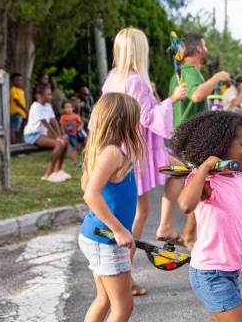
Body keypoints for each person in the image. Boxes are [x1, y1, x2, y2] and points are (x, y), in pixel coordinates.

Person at [101, 27, 187, 296]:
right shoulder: (135, 80)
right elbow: (147, 117)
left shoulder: (113, 77)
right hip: (137, 151)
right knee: (137, 214)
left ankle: (165, 226)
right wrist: (173, 99)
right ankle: (125, 275)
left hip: (124, 148)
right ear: (140, 50)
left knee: (180, 171)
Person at [170, 111, 242, 322]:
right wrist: (203, 167)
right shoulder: (205, 180)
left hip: (230, 272)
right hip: (210, 273)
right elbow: (186, 205)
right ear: (221, 145)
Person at [160, 33, 229, 255]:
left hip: (184, 137)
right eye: (205, 45)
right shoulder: (190, 72)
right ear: (198, 49)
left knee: (202, 184)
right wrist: (217, 77)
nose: (206, 49)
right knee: (203, 186)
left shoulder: (180, 72)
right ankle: (190, 236)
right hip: (192, 139)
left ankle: (189, 233)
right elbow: (198, 95)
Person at [79, 92, 146, 322]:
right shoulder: (112, 153)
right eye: (134, 119)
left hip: (97, 235)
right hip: (106, 238)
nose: (137, 125)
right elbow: (90, 194)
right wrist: (118, 229)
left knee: (104, 300)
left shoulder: (103, 149)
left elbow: (85, 184)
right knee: (123, 307)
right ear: (121, 122)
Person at [23, 85, 70, 182]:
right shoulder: (36, 106)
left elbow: (54, 121)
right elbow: (45, 124)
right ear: (39, 96)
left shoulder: (48, 106)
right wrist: (57, 137)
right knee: (58, 144)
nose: (50, 96)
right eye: (48, 94)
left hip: (42, 134)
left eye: (50, 94)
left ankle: (58, 170)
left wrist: (60, 136)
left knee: (65, 142)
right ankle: (48, 174)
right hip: (32, 135)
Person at [60, 101, 84, 167]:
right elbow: (62, 126)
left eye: (69, 107)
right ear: (64, 109)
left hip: (74, 134)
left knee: (75, 147)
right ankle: (70, 162)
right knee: (68, 148)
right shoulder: (63, 117)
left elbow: (81, 123)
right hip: (67, 135)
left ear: (72, 108)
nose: (68, 109)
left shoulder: (75, 116)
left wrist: (80, 128)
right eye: (66, 107)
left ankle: (79, 161)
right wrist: (64, 134)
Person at [9, 73, 27, 144]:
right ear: (12, 81)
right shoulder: (13, 89)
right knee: (15, 130)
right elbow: (17, 102)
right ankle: (14, 148)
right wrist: (25, 110)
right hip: (16, 113)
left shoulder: (21, 91)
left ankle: (20, 146)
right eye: (17, 80)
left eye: (21, 80)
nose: (19, 82)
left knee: (21, 131)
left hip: (22, 114)